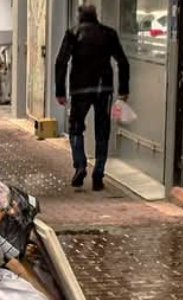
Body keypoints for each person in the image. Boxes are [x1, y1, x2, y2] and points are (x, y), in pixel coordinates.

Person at [54, 4, 130, 192]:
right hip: (103, 88)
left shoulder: (73, 33)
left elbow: (61, 62)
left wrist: (60, 91)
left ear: (80, 18)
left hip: (79, 89)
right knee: (102, 131)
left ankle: (80, 166)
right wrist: (123, 89)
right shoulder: (108, 34)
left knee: (76, 128)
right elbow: (122, 61)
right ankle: (98, 174)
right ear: (96, 16)